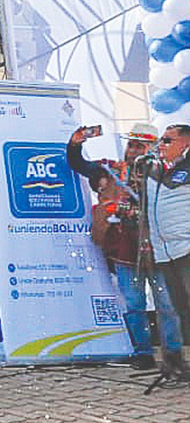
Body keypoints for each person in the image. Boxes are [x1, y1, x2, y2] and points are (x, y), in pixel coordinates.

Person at [68, 122, 163, 370]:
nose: (132, 150)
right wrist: (76, 144)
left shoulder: (164, 175)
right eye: (131, 144)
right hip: (124, 248)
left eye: (139, 146)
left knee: (169, 304)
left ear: (152, 149)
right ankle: (143, 353)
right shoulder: (110, 170)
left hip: (160, 248)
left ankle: (173, 355)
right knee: (133, 303)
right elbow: (80, 165)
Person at [146, 124, 190, 371]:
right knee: (181, 310)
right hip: (165, 250)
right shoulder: (155, 169)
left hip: (187, 248)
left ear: (184, 144)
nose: (161, 145)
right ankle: (182, 363)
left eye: (167, 140)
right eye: (161, 140)